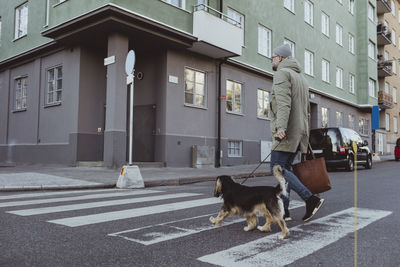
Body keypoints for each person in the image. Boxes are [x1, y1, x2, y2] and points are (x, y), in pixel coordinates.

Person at [269, 43, 324, 222]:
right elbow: (305, 110)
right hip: (298, 132)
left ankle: (310, 199)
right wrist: (304, 134)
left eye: (273, 57)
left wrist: (280, 128)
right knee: (286, 170)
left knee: (277, 168)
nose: (272, 60)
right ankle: (284, 211)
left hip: (287, 132)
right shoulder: (301, 78)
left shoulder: (282, 74)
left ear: (281, 58)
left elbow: (284, 103)